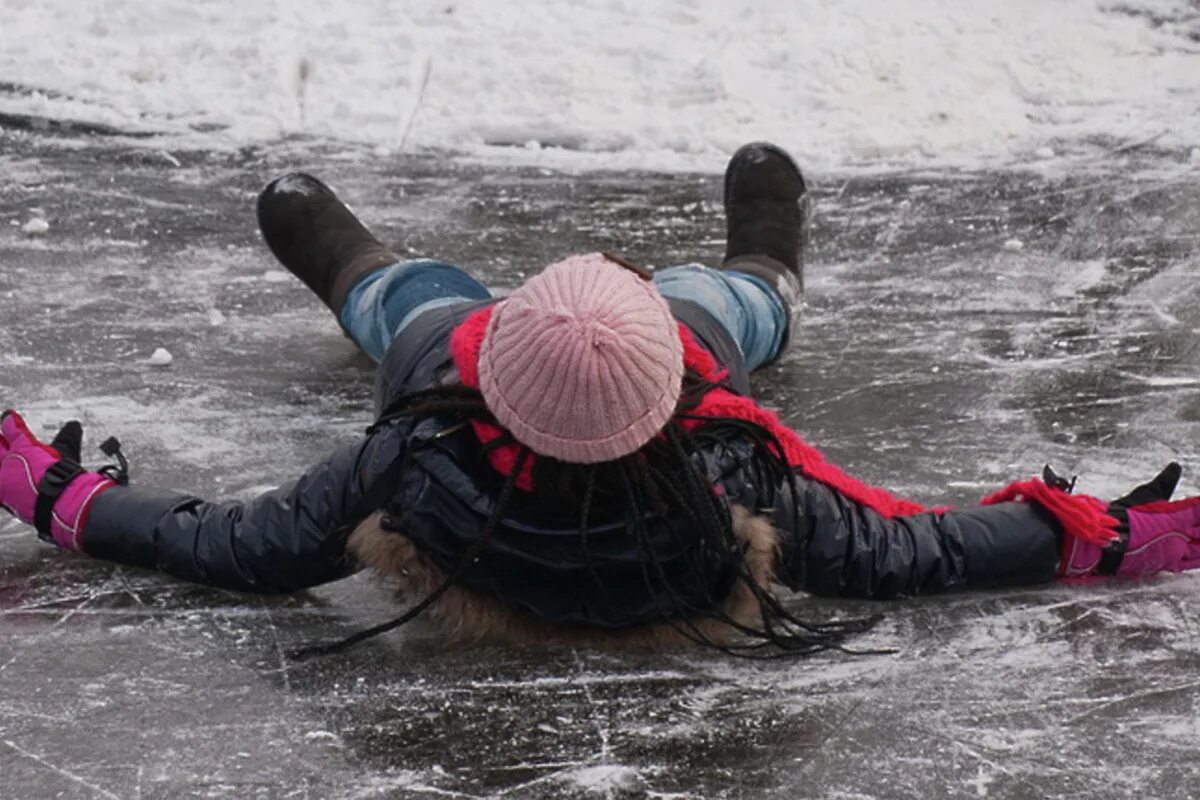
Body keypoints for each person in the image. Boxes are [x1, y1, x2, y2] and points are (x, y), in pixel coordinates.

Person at [2, 143, 1199, 657]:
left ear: (494, 366)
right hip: (645, 369)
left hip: (451, 379)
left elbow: (241, 546)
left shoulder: (420, 450)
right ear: (675, 393)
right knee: (722, 303)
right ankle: (766, 264)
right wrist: (1110, 532)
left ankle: (353, 263)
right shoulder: (732, 470)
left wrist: (49, 489)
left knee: (411, 304)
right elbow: (921, 550)